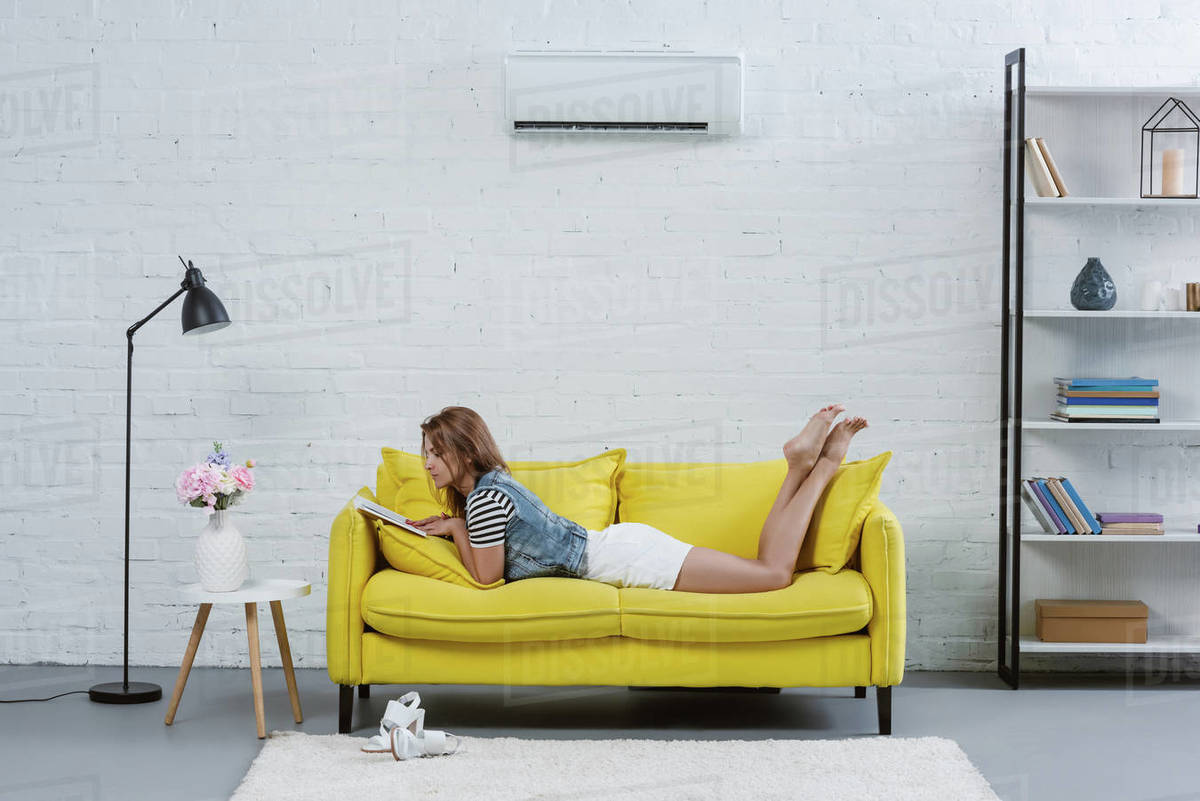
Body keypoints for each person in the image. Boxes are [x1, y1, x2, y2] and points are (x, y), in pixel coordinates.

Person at [410, 404, 867, 594]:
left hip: (628, 560)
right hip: (623, 548)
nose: (428, 463)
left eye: (436, 452)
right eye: (426, 453)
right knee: (766, 566)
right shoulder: (494, 486)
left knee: (772, 574)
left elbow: (486, 578)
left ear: (465, 451)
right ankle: (799, 465)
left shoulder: (484, 502)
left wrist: (454, 528)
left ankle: (820, 466)